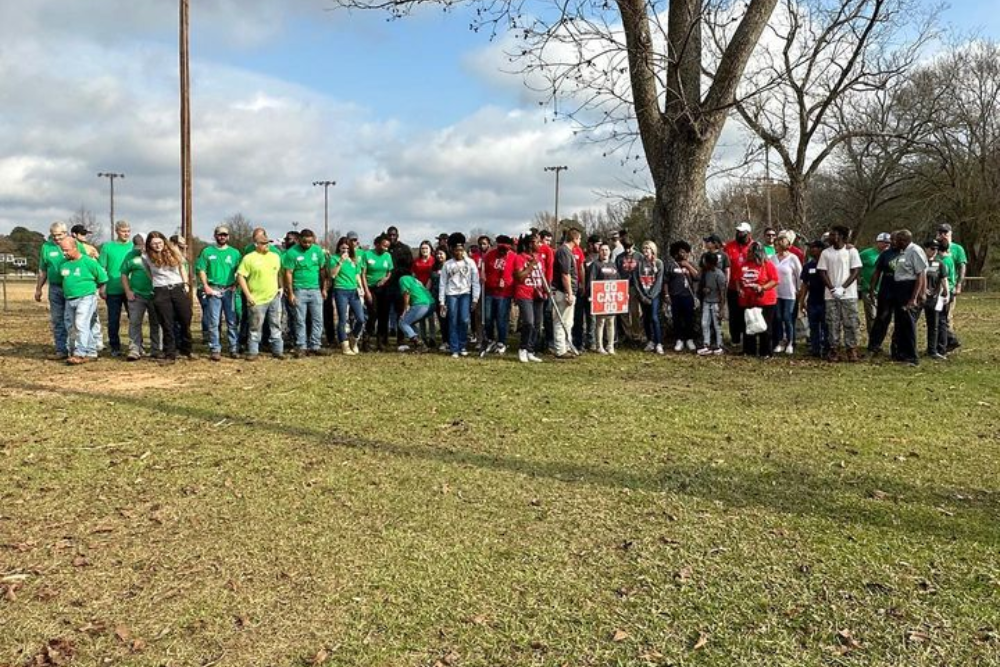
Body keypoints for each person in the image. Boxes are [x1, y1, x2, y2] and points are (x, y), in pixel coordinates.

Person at [142, 232, 192, 364]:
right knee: (166, 323)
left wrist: (186, 284)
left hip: (177, 287)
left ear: (164, 242)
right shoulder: (146, 257)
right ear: (149, 245)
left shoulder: (174, 251)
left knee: (185, 319)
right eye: (154, 244)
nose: (157, 246)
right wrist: (157, 284)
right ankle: (170, 353)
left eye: (159, 243)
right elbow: (149, 273)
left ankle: (186, 349)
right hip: (161, 290)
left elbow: (182, 268)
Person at [58, 237, 109, 365]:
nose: (64, 253)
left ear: (75, 248)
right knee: (75, 326)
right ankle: (91, 352)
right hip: (69, 299)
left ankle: (79, 353)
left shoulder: (88, 262)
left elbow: (102, 277)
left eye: (66, 250)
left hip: (86, 297)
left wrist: (102, 290)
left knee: (81, 323)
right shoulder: (64, 264)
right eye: (62, 250)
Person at [237, 228, 285, 361]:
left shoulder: (275, 257)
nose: (266, 246)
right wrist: (248, 295)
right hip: (256, 299)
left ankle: (278, 350)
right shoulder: (249, 258)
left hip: (273, 297)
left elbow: (278, 273)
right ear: (256, 244)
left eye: (268, 243)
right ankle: (253, 351)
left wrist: (280, 288)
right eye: (263, 243)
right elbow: (241, 276)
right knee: (255, 326)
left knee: (275, 324)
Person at [195, 225, 242, 361]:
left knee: (232, 320)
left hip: (229, 290)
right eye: (220, 235)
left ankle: (234, 348)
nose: (222, 237)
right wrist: (206, 286)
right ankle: (215, 348)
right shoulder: (207, 252)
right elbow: (201, 270)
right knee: (214, 321)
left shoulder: (235, 253)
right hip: (213, 289)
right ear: (215, 236)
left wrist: (236, 284)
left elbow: (240, 271)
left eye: (225, 235)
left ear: (228, 236)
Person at [817, 225, 863, 362]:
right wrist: (832, 288)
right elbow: (822, 272)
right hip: (830, 295)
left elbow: (855, 271)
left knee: (851, 322)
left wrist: (843, 287)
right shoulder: (826, 253)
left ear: (841, 236)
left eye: (833, 235)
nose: (830, 237)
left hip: (849, 295)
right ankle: (834, 350)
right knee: (832, 323)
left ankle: (851, 349)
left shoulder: (851, 251)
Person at [282, 229, 328, 358]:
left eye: (310, 242)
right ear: (299, 240)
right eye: (304, 242)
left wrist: (324, 288)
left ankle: (315, 345)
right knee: (300, 320)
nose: (307, 245)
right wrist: (290, 293)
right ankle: (301, 346)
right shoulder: (292, 253)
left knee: (318, 319)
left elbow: (323, 270)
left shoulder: (318, 251)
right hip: (299, 290)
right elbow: (288, 273)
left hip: (315, 290)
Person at [35, 221, 76, 360]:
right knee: (58, 319)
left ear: (65, 233)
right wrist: (38, 289)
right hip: (55, 288)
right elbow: (43, 270)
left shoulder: (74, 244)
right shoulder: (46, 247)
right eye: (54, 236)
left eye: (59, 235)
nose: (57, 238)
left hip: (71, 287)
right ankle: (61, 349)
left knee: (72, 319)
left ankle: (76, 349)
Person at [888, 229, 927, 366]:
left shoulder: (915, 251)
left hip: (909, 288)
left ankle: (912, 356)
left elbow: (920, 274)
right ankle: (901, 353)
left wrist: (914, 298)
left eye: (897, 240)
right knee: (900, 323)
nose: (894, 242)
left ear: (904, 241)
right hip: (899, 288)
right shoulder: (902, 252)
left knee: (908, 324)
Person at [120, 234, 162, 361]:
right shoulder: (131, 255)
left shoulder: (157, 253)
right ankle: (135, 349)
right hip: (137, 295)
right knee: (135, 321)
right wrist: (128, 291)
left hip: (155, 294)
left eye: (143, 246)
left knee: (156, 323)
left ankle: (157, 349)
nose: (141, 249)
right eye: (138, 247)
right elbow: (124, 274)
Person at [438, 233, 480, 358]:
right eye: (456, 250)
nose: (459, 252)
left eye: (461, 250)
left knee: (464, 319)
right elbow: (442, 283)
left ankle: (462, 345)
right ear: (452, 250)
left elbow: (475, 281)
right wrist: (441, 301)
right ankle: (454, 347)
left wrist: (475, 299)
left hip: (465, 294)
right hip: (451, 294)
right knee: (452, 320)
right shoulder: (447, 264)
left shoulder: (470, 263)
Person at [506, 232, 546, 363]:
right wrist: (530, 266)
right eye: (537, 242)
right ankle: (522, 348)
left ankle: (530, 349)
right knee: (528, 321)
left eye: (540, 242)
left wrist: (546, 289)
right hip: (524, 293)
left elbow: (542, 276)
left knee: (536, 324)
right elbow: (519, 277)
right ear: (530, 244)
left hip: (537, 293)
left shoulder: (539, 257)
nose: (539, 245)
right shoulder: (520, 258)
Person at [97, 220, 134, 357]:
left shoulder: (133, 247)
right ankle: (115, 346)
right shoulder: (108, 247)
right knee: (113, 320)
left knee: (134, 319)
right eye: (123, 231)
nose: (126, 234)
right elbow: (101, 268)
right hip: (113, 289)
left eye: (128, 231)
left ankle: (135, 345)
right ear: (117, 231)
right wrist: (102, 287)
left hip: (131, 289)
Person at [739, 242, 779, 358]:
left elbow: (775, 280)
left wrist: (762, 287)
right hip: (749, 300)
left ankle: (766, 352)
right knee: (750, 324)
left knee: (764, 326)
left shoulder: (767, 264)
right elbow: (739, 278)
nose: (748, 253)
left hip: (765, 300)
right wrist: (740, 288)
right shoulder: (745, 264)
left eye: (750, 251)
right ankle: (749, 350)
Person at [327, 236, 366, 355]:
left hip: (353, 291)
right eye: (343, 248)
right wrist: (341, 261)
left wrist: (361, 287)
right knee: (342, 319)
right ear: (339, 247)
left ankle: (354, 339)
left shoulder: (354, 260)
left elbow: (357, 275)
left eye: (348, 249)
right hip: (340, 290)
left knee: (361, 318)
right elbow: (332, 275)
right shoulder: (334, 259)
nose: (345, 251)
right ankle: (344, 344)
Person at [865, 237, 901, 358]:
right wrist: (872, 288)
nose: (895, 242)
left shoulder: (909, 253)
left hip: (902, 291)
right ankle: (873, 347)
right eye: (893, 240)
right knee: (881, 319)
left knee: (900, 321)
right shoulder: (886, 254)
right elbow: (877, 271)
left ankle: (897, 349)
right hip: (886, 291)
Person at [770, 231, 802, 355]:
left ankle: (790, 342)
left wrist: (799, 290)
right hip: (776, 293)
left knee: (787, 317)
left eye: (780, 243)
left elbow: (799, 276)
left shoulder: (793, 258)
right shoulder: (773, 258)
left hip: (790, 293)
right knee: (778, 318)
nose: (777, 245)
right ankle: (780, 341)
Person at [663, 241, 699, 353]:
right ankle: (679, 339)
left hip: (688, 296)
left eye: (685, 252)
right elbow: (665, 282)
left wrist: (687, 265)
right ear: (676, 253)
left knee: (689, 319)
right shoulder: (671, 265)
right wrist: (666, 294)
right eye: (681, 252)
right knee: (677, 319)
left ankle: (689, 339)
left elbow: (697, 277)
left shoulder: (690, 264)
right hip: (675, 297)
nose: (683, 254)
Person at [481, 235, 514, 354]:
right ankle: (490, 340)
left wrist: (506, 282)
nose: (502, 251)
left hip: (504, 293)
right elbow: (484, 270)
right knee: (488, 318)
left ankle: (502, 341)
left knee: (501, 319)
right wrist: (483, 276)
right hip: (490, 291)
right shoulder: (489, 255)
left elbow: (515, 275)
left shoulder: (512, 257)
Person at [917, 239, 949, 361]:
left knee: (934, 325)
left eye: (936, 249)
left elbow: (943, 279)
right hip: (919, 297)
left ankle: (932, 350)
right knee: (912, 323)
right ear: (925, 248)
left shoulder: (939, 263)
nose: (934, 251)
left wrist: (945, 293)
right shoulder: (919, 261)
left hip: (934, 298)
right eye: (931, 248)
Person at [551, 228, 581, 359]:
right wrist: (569, 292)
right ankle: (560, 349)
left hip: (568, 291)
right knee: (561, 321)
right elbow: (565, 274)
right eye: (579, 238)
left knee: (568, 322)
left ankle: (567, 346)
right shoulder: (564, 252)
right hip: (563, 292)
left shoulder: (568, 252)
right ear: (574, 238)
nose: (580, 241)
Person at [723, 222, 754, 348]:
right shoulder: (729, 246)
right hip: (732, 286)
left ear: (748, 234)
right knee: (734, 313)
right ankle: (735, 338)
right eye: (737, 232)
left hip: (749, 287)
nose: (739, 234)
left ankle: (748, 338)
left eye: (741, 232)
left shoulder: (755, 246)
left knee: (748, 313)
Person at [936, 223, 965, 351]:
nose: (943, 235)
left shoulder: (957, 249)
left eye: (946, 233)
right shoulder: (935, 247)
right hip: (936, 288)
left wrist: (959, 284)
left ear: (950, 233)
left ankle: (950, 341)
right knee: (939, 316)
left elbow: (962, 266)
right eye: (941, 232)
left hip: (949, 287)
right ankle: (945, 341)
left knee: (946, 317)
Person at [362, 234, 394, 351]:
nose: (385, 248)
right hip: (371, 288)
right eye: (384, 246)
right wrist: (367, 292)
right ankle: (366, 341)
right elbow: (363, 274)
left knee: (384, 315)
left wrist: (385, 279)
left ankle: (381, 342)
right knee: (373, 314)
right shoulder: (367, 254)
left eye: (387, 246)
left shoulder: (388, 256)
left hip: (384, 289)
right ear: (377, 244)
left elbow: (389, 272)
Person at [798, 240, 830, 358]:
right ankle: (815, 349)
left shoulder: (828, 263)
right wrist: (802, 301)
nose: (811, 250)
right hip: (812, 302)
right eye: (810, 248)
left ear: (821, 249)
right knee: (813, 327)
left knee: (826, 327)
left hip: (826, 301)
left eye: (814, 247)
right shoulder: (808, 266)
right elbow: (805, 284)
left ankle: (827, 349)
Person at [632, 240, 664, 354]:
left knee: (654, 317)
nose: (645, 250)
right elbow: (635, 281)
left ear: (652, 250)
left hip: (653, 295)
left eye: (648, 248)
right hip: (642, 295)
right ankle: (650, 340)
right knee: (646, 318)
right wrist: (642, 296)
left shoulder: (659, 263)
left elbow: (659, 282)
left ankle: (658, 342)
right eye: (644, 248)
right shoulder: (638, 264)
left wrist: (650, 296)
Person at [396, 258, 435, 352]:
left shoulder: (403, 279)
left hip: (421, 304)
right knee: (410, 322)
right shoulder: (414, 279)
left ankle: (419, 344)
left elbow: (406, 293)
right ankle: (422, 342)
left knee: (403, 322)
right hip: (431, 304)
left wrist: (405, 309)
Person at [587, 242, 619, 355]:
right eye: (602, 250)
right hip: (600, 298)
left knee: (611, 321)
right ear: (599, 252)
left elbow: (619, 281)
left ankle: (610, 346)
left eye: (606, 250)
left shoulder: (613, 265)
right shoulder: (595, 265)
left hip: (611, 298)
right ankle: (599, 346)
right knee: (600, 322)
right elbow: (591, 281)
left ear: (610, 252)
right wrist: (591, 295)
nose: (604, 252)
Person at [858, 232, 892, 335]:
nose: (887, 245)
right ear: (878, 242)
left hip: (885, 290)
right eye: (884, 242)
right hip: (869, 289)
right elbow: (855, 266)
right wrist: (860, 278)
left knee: (882, 315)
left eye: (889, 243)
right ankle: (872, 337)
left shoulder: (890, 254)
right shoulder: (866, 253)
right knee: (872, 315)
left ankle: (879, 337)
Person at [614, 232, 644, 345]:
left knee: (636, 312)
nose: (627, 250)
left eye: (629, 247)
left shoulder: (639, 256)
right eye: (625, 247)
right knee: (623, 312)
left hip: (635, 287)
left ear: (634, 245)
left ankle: (637, 335)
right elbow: (616, 272)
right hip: (622, 286)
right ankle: (628, 335)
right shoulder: (619, 258)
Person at [697, 251, 727, 355]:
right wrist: (704, 290)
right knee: (704, 323)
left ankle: (720, 345)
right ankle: (706, 344)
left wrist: (722, 308)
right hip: (706, 301)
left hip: (716, 303)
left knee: (716, 325)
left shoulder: (719, 275)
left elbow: (722, 292)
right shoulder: (705, 273)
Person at [412, 240, 437, 346]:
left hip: (431, 289)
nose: (424, 250)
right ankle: (423, 337)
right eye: (422, 248)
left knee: (431, 315)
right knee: (421, 315)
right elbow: (413, 274)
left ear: (431, 249)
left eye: (426, 248)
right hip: (419, 290)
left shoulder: (434, 261)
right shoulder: (416, 261)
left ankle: (432, 337)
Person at [431, 248, 450, 350]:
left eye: (441, 254)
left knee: (449, 319)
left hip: (448, 296)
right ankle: (445, 341)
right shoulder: (434, 267)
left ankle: (452, 340)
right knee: (441, 320)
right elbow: (430, 281)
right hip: (436, 296)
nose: (439, 256)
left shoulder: (450, 266)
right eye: (437, 254)